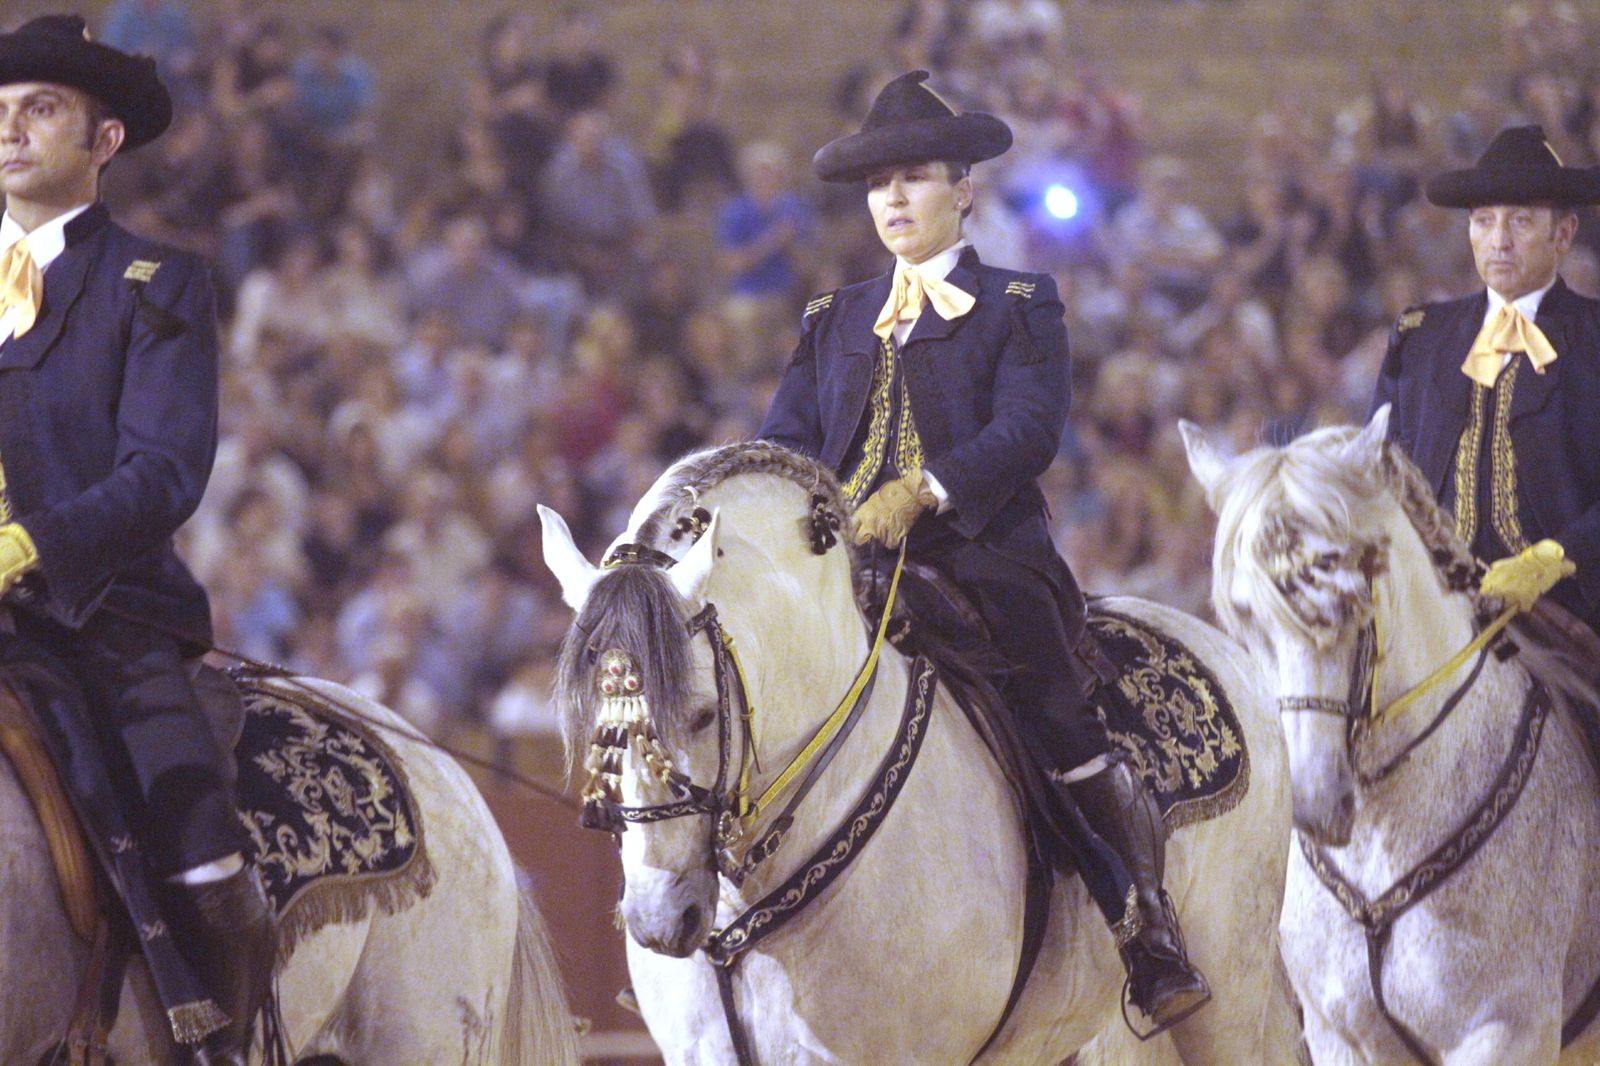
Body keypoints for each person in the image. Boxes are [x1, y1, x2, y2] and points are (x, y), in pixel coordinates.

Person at [759, 69, 1209, 1031]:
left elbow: (1029, 429)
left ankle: (1143, 924)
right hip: (847, 564)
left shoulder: (1019, 299)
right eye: (880, 184)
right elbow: (786, 442)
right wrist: (819, 512)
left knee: (1050, 703)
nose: (893, 198)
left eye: (914, 177)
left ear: (962, 189)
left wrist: (922, 489)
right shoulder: (832, 317)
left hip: (976, 554)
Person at [0, 16, 272, 1063]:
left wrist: (26, 548)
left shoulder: (156, 282)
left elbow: (163, 472)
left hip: (99, 615)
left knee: (202, 860)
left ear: (104, 141)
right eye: (3, 112)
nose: (13, 132)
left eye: (43, 110)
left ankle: (218, 1038)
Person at [1373, 125, 1600, 636]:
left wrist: (1557, 558)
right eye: (1483, 221)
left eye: (1520, 221)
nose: (1498, 240)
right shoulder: (1419, 337)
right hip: (1436, 617)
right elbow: (1381, 473)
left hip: (1571, 615)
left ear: (1563, 235)